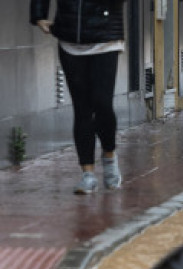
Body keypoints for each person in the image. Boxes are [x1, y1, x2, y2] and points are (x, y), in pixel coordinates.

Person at [30, 0, 127, 194]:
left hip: (105, 38)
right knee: (82, 109)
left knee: (102, 103)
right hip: (70, 38)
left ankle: (109, 155)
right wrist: (38, 15)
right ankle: (88, 175)